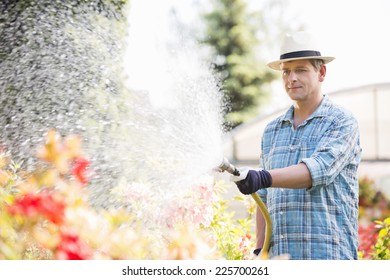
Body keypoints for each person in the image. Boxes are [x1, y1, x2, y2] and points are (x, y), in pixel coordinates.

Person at [233, 31, 362, 260]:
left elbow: (317, 171)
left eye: (300, 70)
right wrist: (259, 251)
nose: (291, 78)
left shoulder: (342, 122)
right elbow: (263, 197)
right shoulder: (272, 130)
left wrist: (263, 176)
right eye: (286, 71)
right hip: (281, 260)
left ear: (321, 72)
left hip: (329, 259)